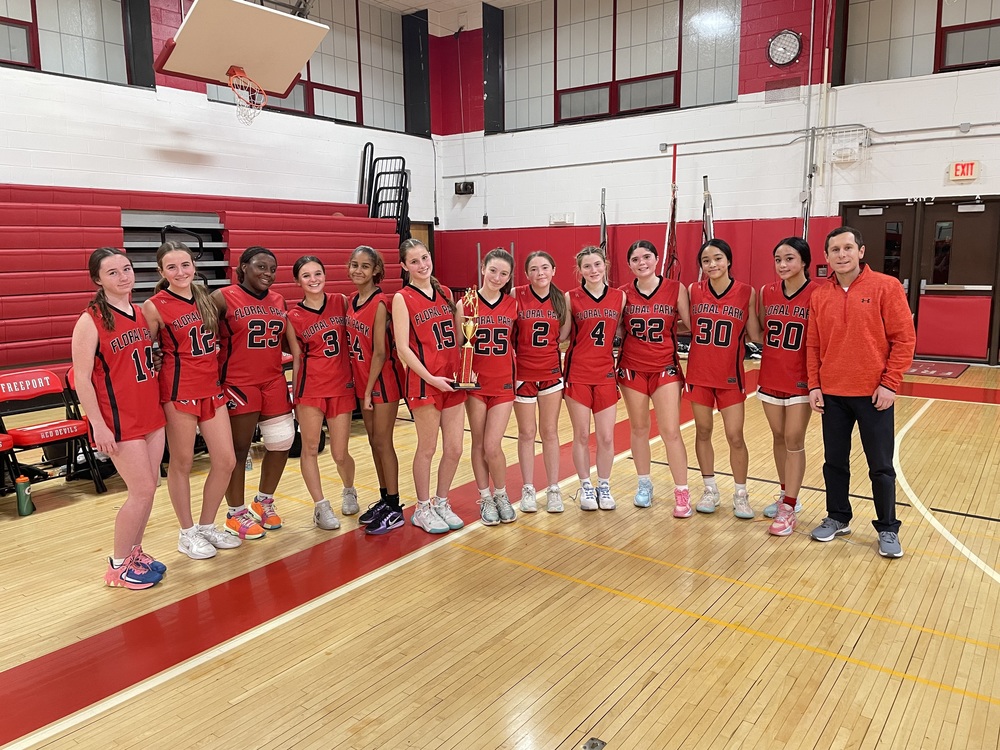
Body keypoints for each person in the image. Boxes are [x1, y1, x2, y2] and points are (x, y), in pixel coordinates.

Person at [807, 226, 915, 558]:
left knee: (880, 465)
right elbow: (812, 345)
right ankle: (838, 516)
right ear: (826, 257)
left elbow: (904, 339)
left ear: (861, 251)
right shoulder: (819, 295)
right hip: (833, 394)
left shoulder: (886, 286)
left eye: (847, 248)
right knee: (834, 462)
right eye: (835, 250)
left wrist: (889, 384)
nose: (842, 255)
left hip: (874, 395)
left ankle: (887, 528)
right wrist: (814, 384)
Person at [71, 247, 167, 589]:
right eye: (113, 272)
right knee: (140, 490)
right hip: (118, 419)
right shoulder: (90, 320)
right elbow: (81, 377)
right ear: (97, 279)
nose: (123, 276)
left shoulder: (138, 311)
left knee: (150, 488)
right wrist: (96, 424)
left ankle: (134, 553)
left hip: (150, 412)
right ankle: (117, 565)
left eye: (126, 269)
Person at [143, 241, 239, 560]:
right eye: (172, 267)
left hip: (212, 388)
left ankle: (207, 525)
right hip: (178, 391)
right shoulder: (154, 305)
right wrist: (155, 360)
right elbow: (145, 351)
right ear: (161, 272)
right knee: (182, 463)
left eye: (185, 265)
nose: (180, 272)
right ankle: (186, 534)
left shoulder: (207, 299)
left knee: (226, 460)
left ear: (193, 266)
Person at [211, 246, 297, 540]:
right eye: (261, 267)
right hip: (238, 382)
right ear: (243, 266)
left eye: (272, 270)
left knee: (282, 441)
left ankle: (263, 501)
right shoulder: (222, 297)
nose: (268, 274)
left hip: (272, 380)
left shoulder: (278, 299)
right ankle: (235, 514)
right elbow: (199, 335)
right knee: (238, 450)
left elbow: (287, 342)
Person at [392, 238, 466, 534]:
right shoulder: (402, 297)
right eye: (414, 261)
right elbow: (402, 349)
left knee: (455, 448)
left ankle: (442, 501)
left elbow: (459, 338)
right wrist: (431, 378)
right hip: (425, 381)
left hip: (453, 379)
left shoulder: (445, 292)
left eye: (425, 258)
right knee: (428, 447)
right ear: (404, 266)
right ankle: (422, 507)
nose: (422, 265)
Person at [685, 239, 761, 518]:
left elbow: (755, 334)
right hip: (699, 374)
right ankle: (709, 489)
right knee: (703, 431)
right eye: (706, 261)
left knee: (735, 436)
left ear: (729, 260)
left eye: (717, 258)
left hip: (730, 376)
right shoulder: (693, 290)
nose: (712, 264)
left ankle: (741, 494)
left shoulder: (746, 292)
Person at [617, 240, 692, 516]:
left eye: (646, 257)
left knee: (671, 431)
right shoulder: (622, 294)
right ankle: (644, 484)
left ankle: (682, 492)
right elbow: (618, 330)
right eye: (635, 259)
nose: (642, 263)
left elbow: (691, 324)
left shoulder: (676, 288)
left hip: (665, 368)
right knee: (638, 429)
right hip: (632, 368)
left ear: (657, 258)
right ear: (629, 265)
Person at [287, 255, 359, 531]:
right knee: (310, 449)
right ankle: (320, 506)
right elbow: (296, 358)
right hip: (311, 390)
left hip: (341, 387)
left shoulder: (341, 301)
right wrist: (295, 396)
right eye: (306, 275)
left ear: (325, 275)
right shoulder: (293, 316)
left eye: (318, 273)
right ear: (297, 281)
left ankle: (349, 489)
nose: (313, 279)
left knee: (340, 453)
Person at [345, 246, 406, 535]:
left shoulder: (381, 302)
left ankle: (395, 508)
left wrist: (368, 391)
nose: (359, 270)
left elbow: (380, 353)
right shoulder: (352, 301)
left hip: (382, 382)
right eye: (354, 265)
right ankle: (384, 499)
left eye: (365, 266)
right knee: (372, 442)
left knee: (383, 442)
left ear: (376, 271)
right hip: (363, 381)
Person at [757, 237, 814, 537]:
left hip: (802, 379)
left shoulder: (818, 292)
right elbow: (759, 330)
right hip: (770, 375)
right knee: (779, 436)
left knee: (794, 439)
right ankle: (785, 493)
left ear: (804, 261)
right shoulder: (766, 292)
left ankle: (789, 507)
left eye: (789, 258)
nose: (782, 265)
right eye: (778, 259)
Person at [563, 246, 625, 511]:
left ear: (605, 265)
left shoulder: (619, 297)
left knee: (607, 437)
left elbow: (622, 331)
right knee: (580, 435)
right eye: (587, 266)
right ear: (579, 271)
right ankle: (585, 485)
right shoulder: (570, 297)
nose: (593, 270)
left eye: (597, 265)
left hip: (605, 373)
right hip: (577, 372)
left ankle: (604, 484)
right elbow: (564, 334)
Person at [513, 251, 570, 513]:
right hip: (522, 374)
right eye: (533, 269)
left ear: (554, 269)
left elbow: (564, 335)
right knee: (526, 433)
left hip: (550, 374)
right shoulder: (516, 295)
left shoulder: (561, 300)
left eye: (545, 267)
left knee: (550, 432)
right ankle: (527, 488)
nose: (540, 273)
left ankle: (553, 489)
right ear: (526, 274)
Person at [467, 248, 519, 526]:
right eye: (493, 270)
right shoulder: (466, 303)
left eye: (504, 273)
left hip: (503, 384)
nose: (497, 277)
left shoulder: (513, 305)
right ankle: (485, 497)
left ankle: (501, 494)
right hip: (474, 384)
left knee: (492, 445)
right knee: (478, 443)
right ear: (482, 267)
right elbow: (458, 348)